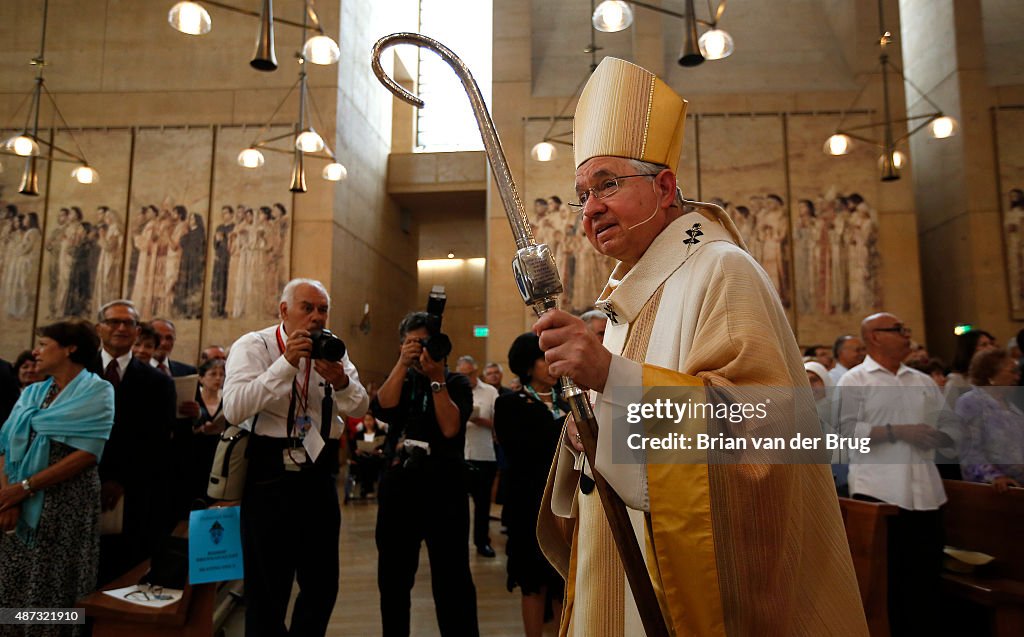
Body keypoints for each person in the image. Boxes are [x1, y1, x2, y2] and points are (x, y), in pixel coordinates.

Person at [533, 57, 867, 636]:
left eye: (607, 184)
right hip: (619, 560)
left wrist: (610, 378)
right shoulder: (630, 292)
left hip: (686, 594)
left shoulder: (721, 270)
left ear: (664, 187)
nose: (589, 209)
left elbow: (766, 434)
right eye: (582, 193)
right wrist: (586, 426)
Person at [222, 278, 369, 637]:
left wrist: (342, 383)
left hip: (318, 471)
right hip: (268, 471)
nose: (317, 316)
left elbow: (361, 406)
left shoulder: (333, 349)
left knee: (322, 584)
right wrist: (286, 364)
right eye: (308, 307)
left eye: (323, 309)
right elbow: (234, 408)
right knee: (268, 587)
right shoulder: (254, 346)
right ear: (284, 310)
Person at [837, 313, 952, 636]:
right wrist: (897, 431)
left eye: (906, 328)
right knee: (891, 584)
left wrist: (940, 435)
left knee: (927, 581)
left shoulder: (922, 380)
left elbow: (946, 428)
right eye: (899, 330)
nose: (907, 335)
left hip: (927, 493)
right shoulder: (855, 381)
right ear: (874, 336)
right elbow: (845, 433)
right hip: (881, 493)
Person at [0, 320, 114, 634]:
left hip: (66, 508)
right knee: (13, 588)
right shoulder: (34, 390)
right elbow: (4, 443)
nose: (36, 352)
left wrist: (24, 488)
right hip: (18, 507)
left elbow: (88, 453)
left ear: (70, 349)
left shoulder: (99, 391)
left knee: (55, 588)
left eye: (45, 344)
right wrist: (7, 496)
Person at [372, 311, 478, 637]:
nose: (421, 349)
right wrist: (403, 365)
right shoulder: (400, 379)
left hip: (445, 489)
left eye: (426, 342)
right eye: (413, 342)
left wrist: (436, 379)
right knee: (393, 579)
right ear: (402, 344)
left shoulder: (456, 382)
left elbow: (450, 428)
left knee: (453, 579)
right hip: (399, 487)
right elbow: (384, 407)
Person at [91, 300, 177, 584]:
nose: (121, 328)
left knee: (121, 571)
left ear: (137, 330)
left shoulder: (158, 382)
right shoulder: (78, 371)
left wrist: (119, 479)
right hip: (76, 483)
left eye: (128, 323)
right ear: (99, 328)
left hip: (133, 492)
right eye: (113, 322)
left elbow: (157, 441)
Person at [494, 333, 566, 637]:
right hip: (528, 504)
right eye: (543, 357)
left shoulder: (568, 401)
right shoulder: (509, 403)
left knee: (563, 580)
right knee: (532, 581)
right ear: (527, 365)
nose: (551, 363)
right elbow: (518, 448)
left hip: (565, 503)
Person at [955, 348, 1024, 492]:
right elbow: (969, 452)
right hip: (993, 490)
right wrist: (995, 476)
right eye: (1012, 371)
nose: (1017, 377)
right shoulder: (970, 402)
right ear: (991, 375)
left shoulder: (1012, 407)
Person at [454, 354, 499, 557]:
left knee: (482, 504)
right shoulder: (453, 391)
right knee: (457, 506)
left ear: (475, 371)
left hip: (484, 453)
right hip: (459, 454)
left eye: (469, 374)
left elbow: (500, 425)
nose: (466, 378)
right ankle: (458, 545)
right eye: (461, 375)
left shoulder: (490, 392)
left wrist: (484, 421)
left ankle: (482, 542)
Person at [191, 358, 227, 504]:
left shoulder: (227, 399)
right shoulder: (194, 399)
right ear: (201, 378)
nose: (218, 378)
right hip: (195, 452)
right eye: (213, 374)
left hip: (218, 453)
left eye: (221, 374)